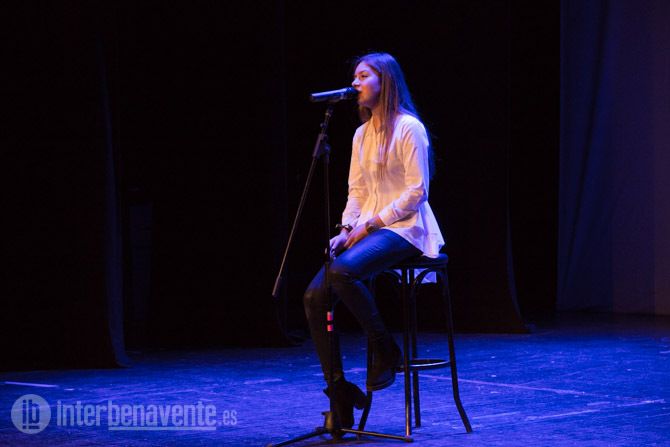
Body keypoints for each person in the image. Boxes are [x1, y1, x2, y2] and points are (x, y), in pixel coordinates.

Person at [303, 52, 445, 429]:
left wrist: (370, 226)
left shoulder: (409, 128)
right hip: (369, 227)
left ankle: (385, 348)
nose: (355, 83)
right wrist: (346, 229)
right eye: (354, 77)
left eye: (363, 76)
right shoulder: (361, 135)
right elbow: (357, 191)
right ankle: (339, 394)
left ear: (386, 80)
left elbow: (417, 192)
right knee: (314, 296)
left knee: (343, 272)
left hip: (406, 228)